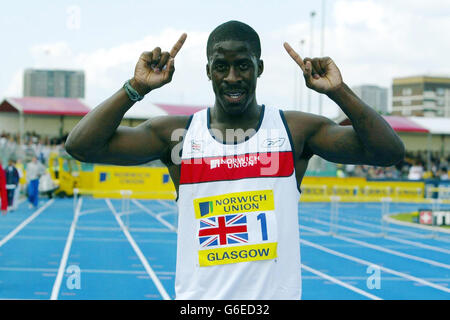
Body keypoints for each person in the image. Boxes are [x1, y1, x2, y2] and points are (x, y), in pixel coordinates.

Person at [65, 21, 405, 299]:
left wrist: (337, 91)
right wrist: (136, 87)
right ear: (208, 71)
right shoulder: (178, 135)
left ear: (259, 67)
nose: (232, 77)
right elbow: (82, 146)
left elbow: (388, 153)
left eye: (242, 65)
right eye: (221, 66)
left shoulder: (295, 130)